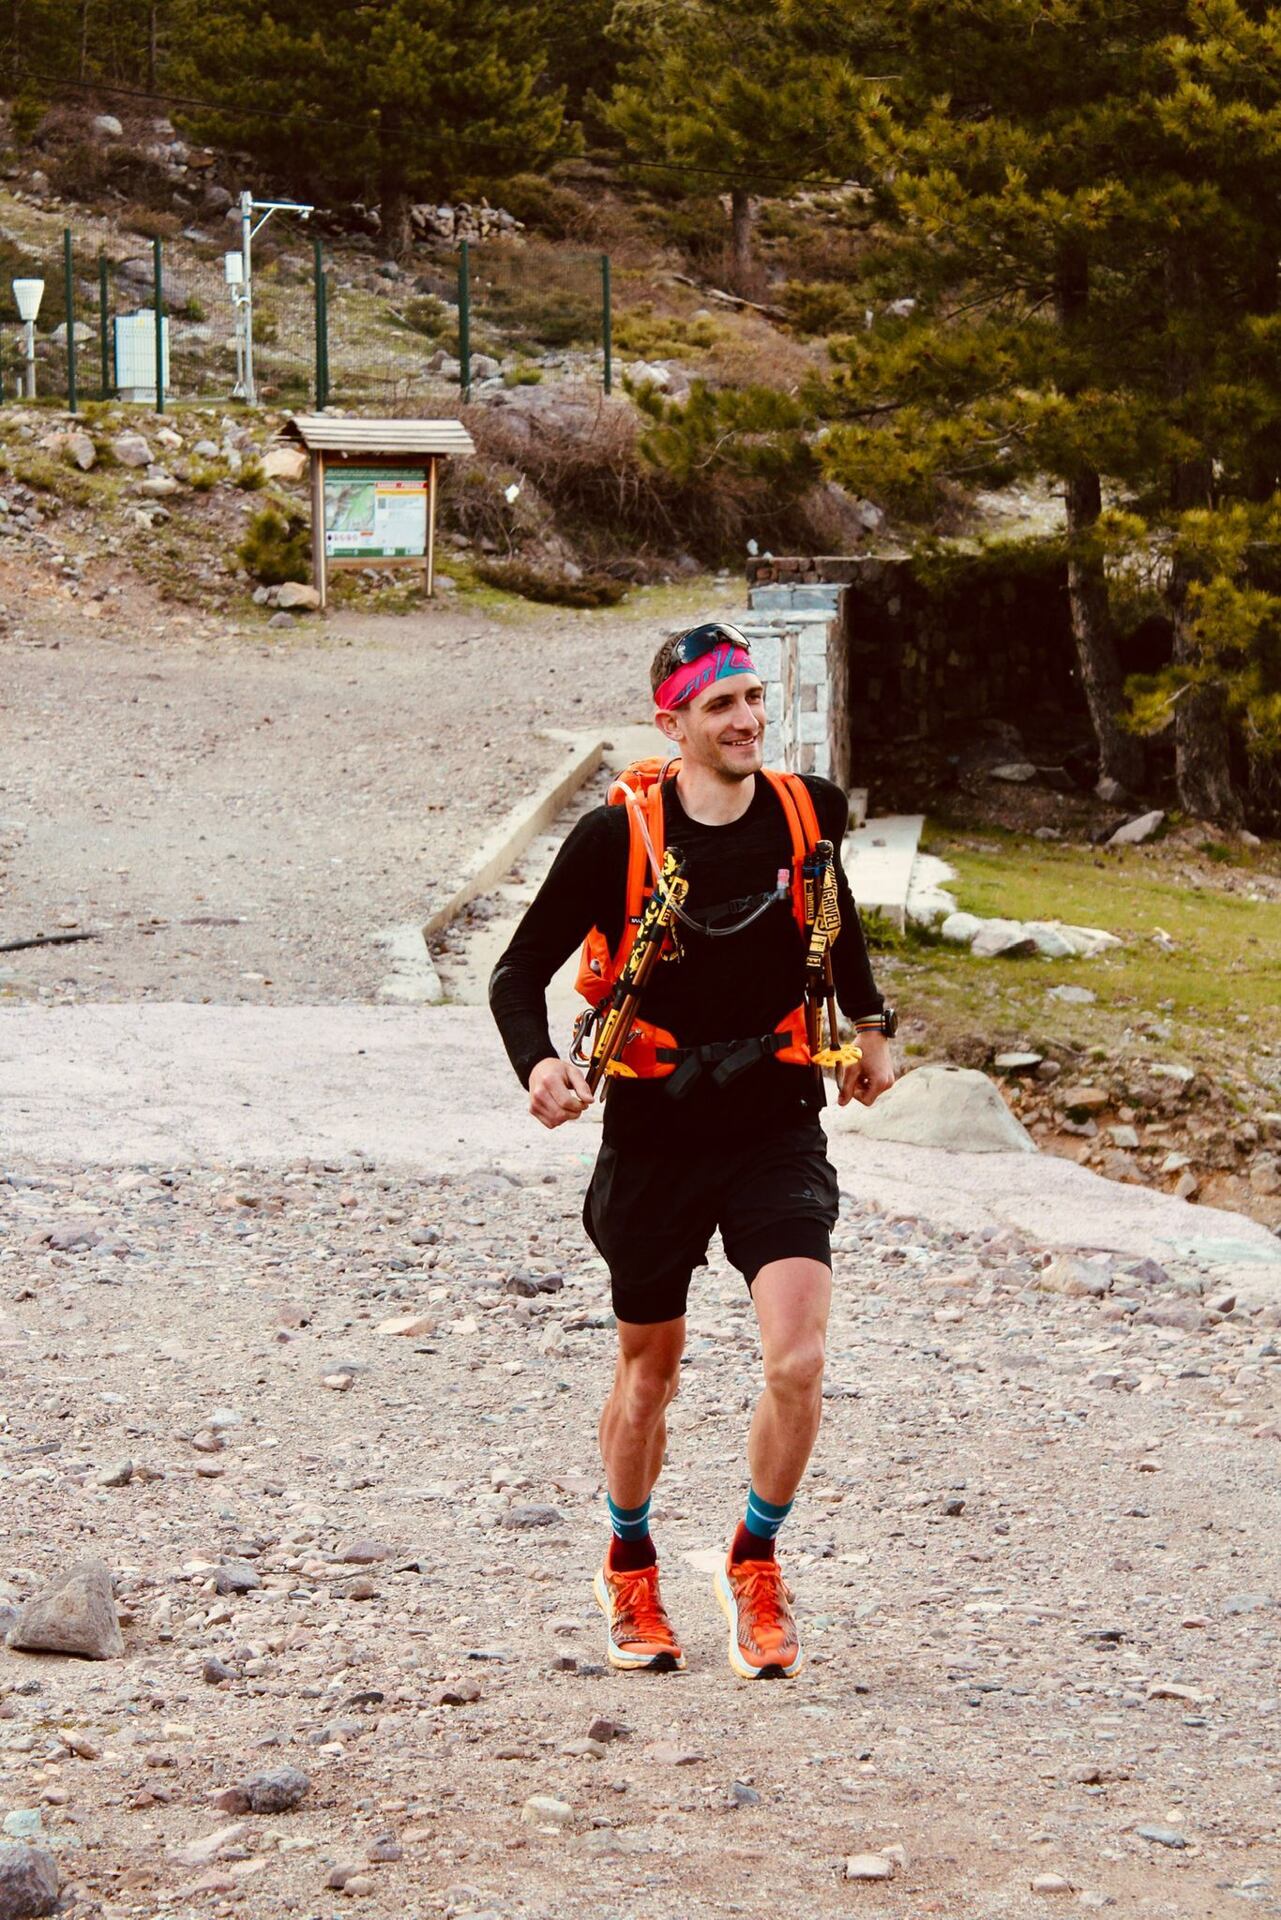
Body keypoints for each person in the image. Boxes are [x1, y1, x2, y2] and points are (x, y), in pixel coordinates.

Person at [489, 621, 895, 1680]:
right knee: (648, 1376)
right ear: (672, 725)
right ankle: (628, 1564)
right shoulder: (614, 839)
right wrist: (539, 1064)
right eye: (722, 705)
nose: (748, 719)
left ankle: (754, 1561)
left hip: (774, 1118)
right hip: (655, 1132)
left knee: (798, 1360)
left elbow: (837, 917)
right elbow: (516, 973)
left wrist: (871, 1025)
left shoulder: (808, 811)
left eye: (754, 697)